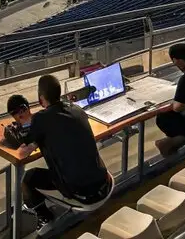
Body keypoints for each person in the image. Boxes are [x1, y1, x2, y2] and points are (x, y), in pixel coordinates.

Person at [7, 76, 113, 230]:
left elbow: (23, 153)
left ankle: (44, 217)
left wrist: (26, 126)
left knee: (28, 178)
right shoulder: (77, 109)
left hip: (82, 193)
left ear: (41, 98)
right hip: (104, 182)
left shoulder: (41, 120)